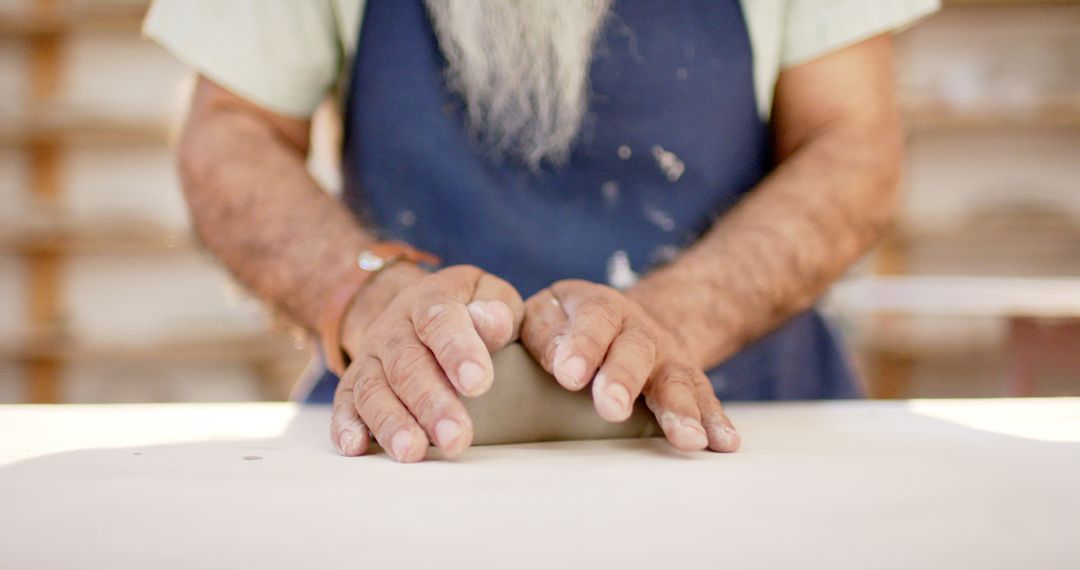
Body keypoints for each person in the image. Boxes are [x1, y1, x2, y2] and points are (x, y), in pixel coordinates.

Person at [145, 0, 939, 462]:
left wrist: (674, 320)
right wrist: (366, 292)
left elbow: (853, 143)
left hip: (738, 429)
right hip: (407, 446)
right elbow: (229, 133)